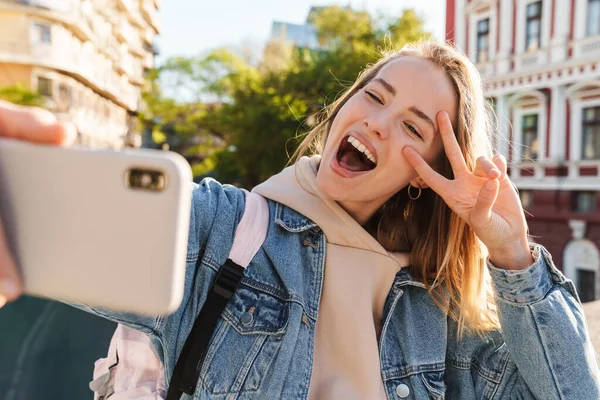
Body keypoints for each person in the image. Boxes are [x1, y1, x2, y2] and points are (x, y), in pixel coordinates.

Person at [0, 41, 599, 399]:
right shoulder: (220, 227)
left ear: (426, 175)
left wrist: (514, 257)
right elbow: (40, 231)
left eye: (414, 128)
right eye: (374, 96)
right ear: (344, 105)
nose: (378, 123)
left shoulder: (434, 316)